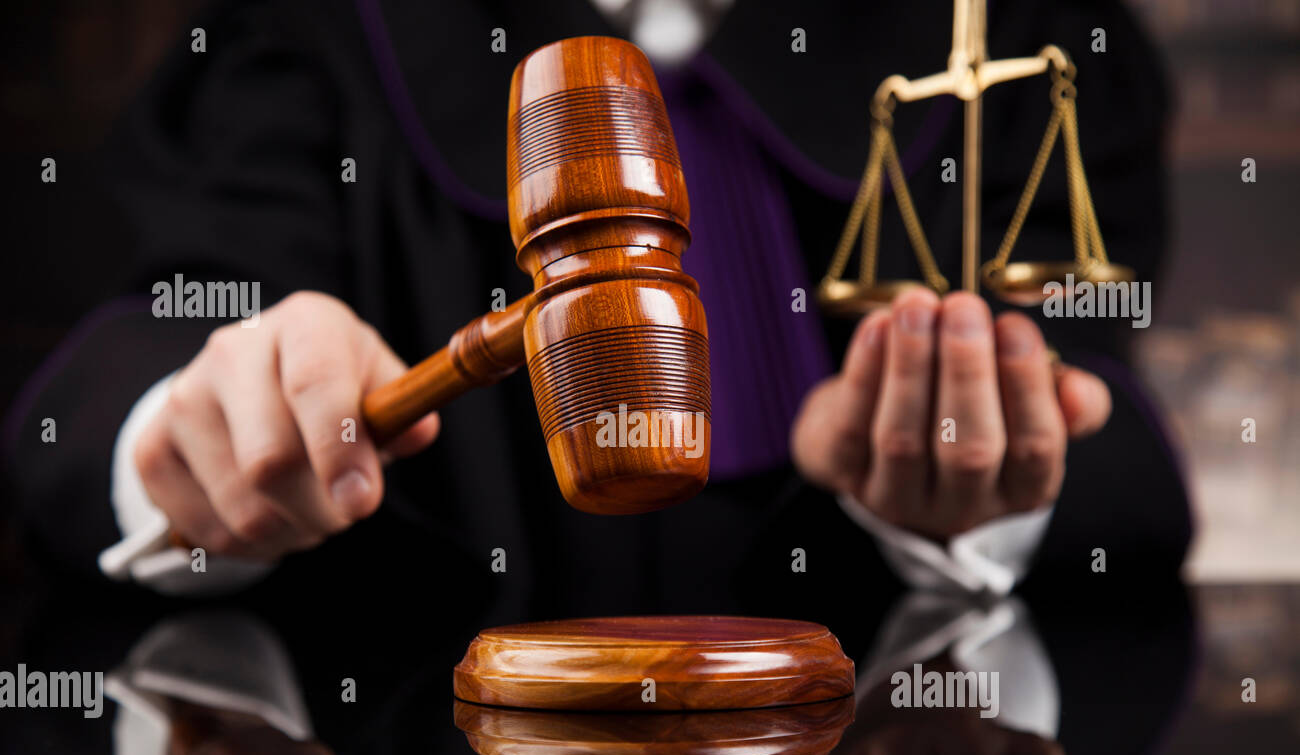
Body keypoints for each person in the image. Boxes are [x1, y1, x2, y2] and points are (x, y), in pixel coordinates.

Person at [7, 0, 1190, 607]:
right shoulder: (314, 31)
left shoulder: (1013, 33)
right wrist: (204, 419)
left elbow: (1104, 415)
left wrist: (987, 487)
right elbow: (175, 319)